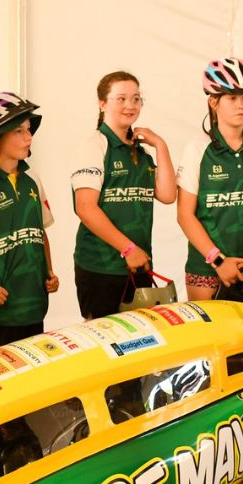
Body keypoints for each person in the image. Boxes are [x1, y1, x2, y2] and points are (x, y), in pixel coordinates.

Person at [177, 57, 243, 305]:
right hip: (207, 269)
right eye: (232, 98)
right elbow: (184, 214)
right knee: (209, 341)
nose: (241, 105)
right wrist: (218, 260)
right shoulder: (197, 149)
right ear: (213, 101)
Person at [71, 71, 176, 319]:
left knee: (138, 344)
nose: (130, 105)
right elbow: (85, 208)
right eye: (121, 98)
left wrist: (160, 145)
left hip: (139, 265)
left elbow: (168, 194)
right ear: (102, 103)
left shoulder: (141, 152)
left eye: (136, 98)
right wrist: (128, 249)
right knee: (103, 344)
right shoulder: (94, 145)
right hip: (101, 266)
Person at [0, 92, 58, 353]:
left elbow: (40, 232)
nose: (28, 137)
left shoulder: (33, 179)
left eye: (29, 129)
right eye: (18, 131)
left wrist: (49, 273)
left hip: (34, 308)